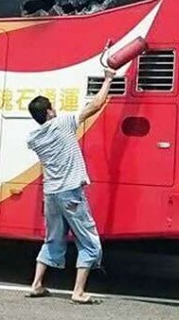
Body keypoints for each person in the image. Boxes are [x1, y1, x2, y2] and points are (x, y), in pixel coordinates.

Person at [26, 67, 117, 305]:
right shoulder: (62, 124)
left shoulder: (34, 139)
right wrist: (108, 79)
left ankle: (36, 284)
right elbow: (95, 105)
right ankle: (78, 291)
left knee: (52, 239)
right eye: (52, 107)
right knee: (88, 240)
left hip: (51, 194)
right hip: (71, 193)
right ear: (49, 112)